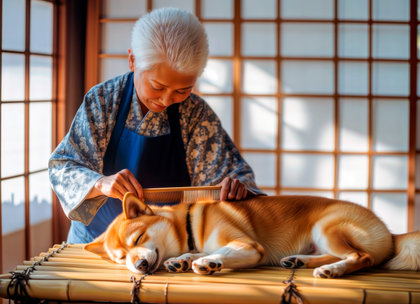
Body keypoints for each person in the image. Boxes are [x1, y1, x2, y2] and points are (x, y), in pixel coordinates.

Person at [48, 7, 264, 244]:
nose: (166, 100)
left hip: (167, 245)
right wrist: (101, 182)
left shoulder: (195, 114)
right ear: (132, 60)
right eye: (158, 87)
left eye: (182, 90)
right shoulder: (103, 101)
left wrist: (234, 188)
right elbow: (62, 168)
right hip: (98, 242)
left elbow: (236, 178)